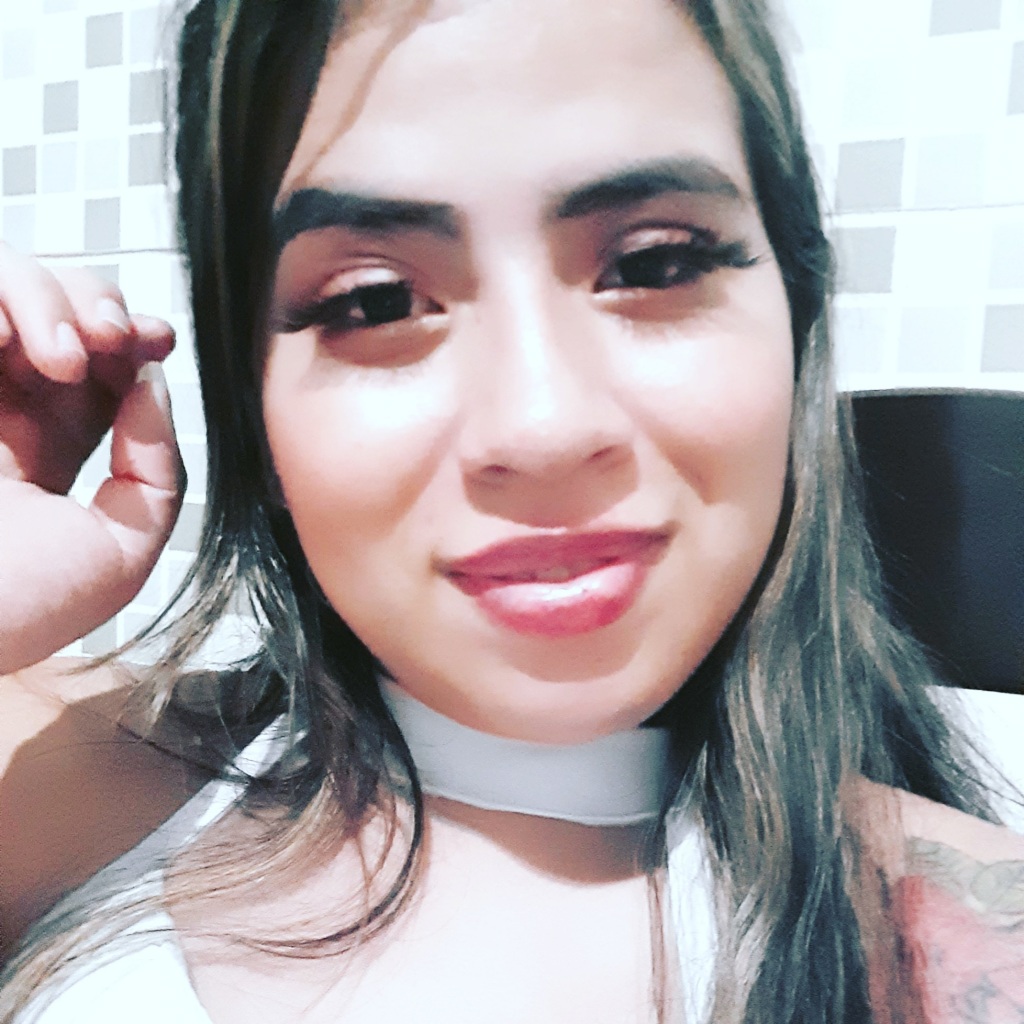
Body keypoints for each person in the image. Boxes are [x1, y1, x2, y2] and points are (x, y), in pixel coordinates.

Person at [1, 0, 1022, 1020]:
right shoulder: (57, 781)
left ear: (795, 333)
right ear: (253, 413)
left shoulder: (973, 946)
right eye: (374, 301)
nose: (541, 428)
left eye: (656, 264)